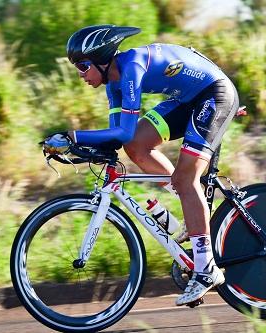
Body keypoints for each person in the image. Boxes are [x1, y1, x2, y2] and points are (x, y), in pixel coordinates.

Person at [48, 24, 239, 306]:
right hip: (186, 99)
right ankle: (190, 207)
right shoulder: (112, 84)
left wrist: (73, 136)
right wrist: (79, 148)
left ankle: (206, 268)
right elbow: (120, 138)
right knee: (136, 146)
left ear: (102, 59)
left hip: (214, 94)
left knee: (187, 180)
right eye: (76, 67)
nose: (80, 74)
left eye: (84, 65)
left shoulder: (131, 68)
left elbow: (121, 131)